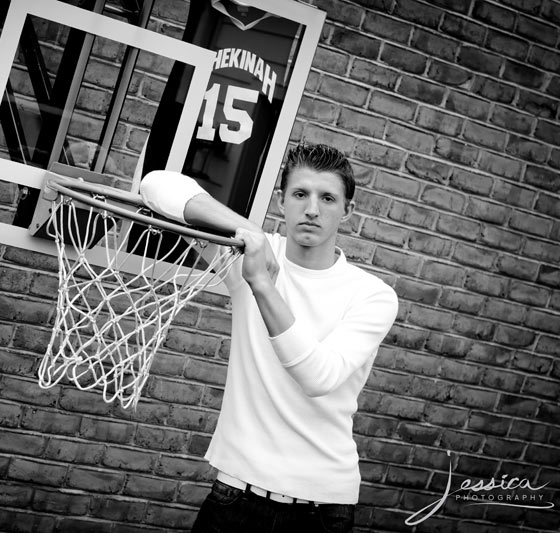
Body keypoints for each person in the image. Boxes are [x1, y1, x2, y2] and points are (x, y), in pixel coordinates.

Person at [140, 143, 399, 533]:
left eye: (327, 198)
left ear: (348, 210)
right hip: (235, 495)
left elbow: (318, 377)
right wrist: (249, 232)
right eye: (300, 194)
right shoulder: (249, 250)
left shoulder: (371, 294)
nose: (312, 208)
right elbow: (156, 186)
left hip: (321, 510)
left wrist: (262, 283)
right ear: (282, 202)